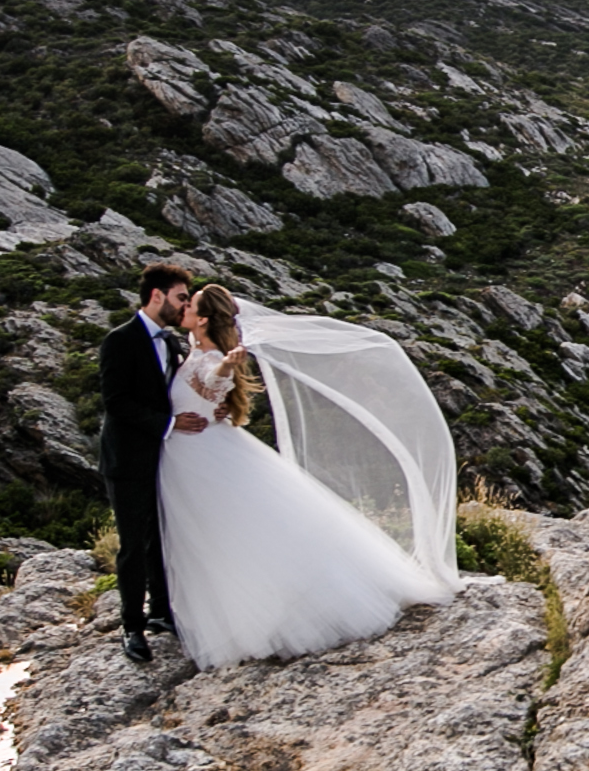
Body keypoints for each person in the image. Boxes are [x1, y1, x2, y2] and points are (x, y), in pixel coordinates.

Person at [156, 284, 448, 668]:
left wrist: (227, 366)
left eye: (190, 305)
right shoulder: (190, 349)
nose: (183, 310)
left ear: (204, 318)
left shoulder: (211, 358)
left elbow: (214, 379)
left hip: (201, 457)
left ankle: (262, 614)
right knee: (215, 536)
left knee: (223, 536)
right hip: (193, 452)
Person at [96, 264, 210, 665]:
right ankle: (132, 627)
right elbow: (116, 402)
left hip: (166, 459)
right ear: (157, 295)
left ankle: (162, 612)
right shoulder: (120, 340)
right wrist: (168, 424)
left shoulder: (175, 343)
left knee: (159, 538)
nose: (184, 305)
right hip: (127, 459)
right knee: (131, 545)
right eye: (181, 297)